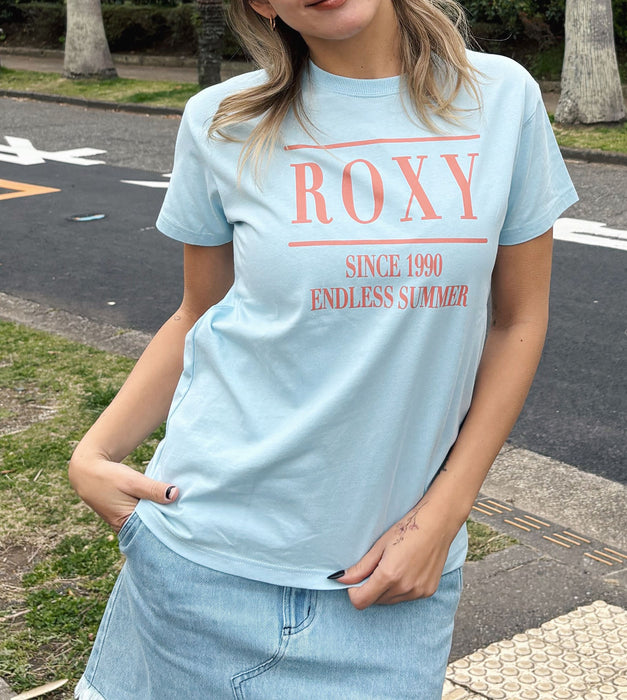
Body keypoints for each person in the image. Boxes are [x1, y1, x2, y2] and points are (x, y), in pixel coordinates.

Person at [70, 0, 578, 698]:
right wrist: (94, 453)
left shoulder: (500, 98)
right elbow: (200, 311)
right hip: (202, 559)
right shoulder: (221, 119)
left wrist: (443, 515)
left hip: (388, 580)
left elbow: (517, 320)